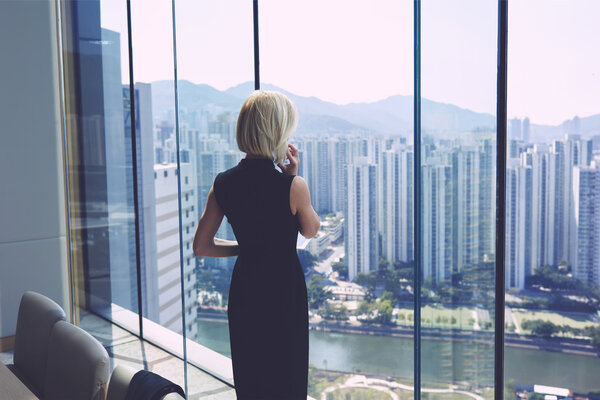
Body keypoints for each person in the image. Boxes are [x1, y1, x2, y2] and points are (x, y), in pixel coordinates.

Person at [193, 90, 320, 399]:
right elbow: (311, 230)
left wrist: (247, 248)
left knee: (252, 378)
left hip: (246, 291)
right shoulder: (293, 185)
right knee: (286, 377)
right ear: (277, 132)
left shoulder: (223, 183)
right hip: (283, 293)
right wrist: (293, 176)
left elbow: (202, 247)